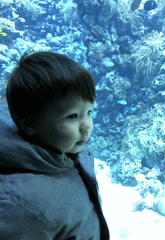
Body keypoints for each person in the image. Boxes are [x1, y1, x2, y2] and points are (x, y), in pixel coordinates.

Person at [0, 51, 110, 239]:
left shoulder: (66, 146)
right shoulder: (20, 205)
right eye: (72, 116)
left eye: (89, 112)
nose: (87, 127)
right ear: (29, 123)